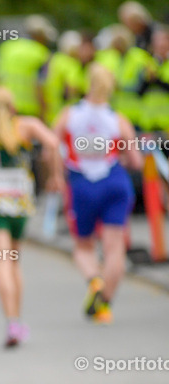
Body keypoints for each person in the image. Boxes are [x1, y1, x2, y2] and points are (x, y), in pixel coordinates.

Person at [0, 86, 64, 348]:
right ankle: (17, 320)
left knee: (4, 262)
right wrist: (54, 176)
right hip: (20, 205)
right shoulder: (27, 126)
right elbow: (53, 143)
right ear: (14, 106)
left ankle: (11, 321)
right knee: (14, 261)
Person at [54, 64, 142, 324]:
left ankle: (94, 279)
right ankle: (104, 305)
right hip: (114, 181)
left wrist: (56, 176)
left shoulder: (70, 114)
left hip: (82, 183)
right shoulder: (117, 118)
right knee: (115, 249)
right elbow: (135, 161)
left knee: (83, 245)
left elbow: (51, 145)